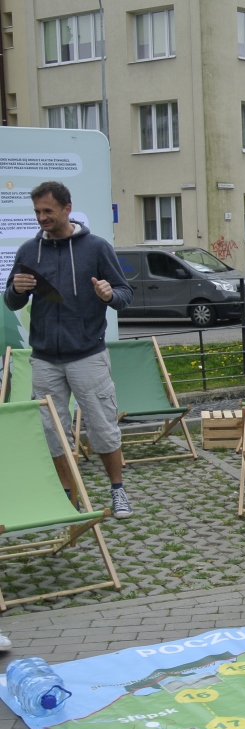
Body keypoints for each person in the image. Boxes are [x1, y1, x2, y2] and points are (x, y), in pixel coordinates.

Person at [3, 181, 134, 518]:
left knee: (102, 425)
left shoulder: (96, 248)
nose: (42, 217)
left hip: (87, 354)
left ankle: (118, 490)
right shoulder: (29, 252)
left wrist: (109, 294)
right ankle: (68, 494)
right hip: (44, 357)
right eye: (37, 212)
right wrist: (16, 290)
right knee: (51, 431)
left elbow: (124, 294)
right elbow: (11, 298)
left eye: (48, 211)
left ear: (66, 208)